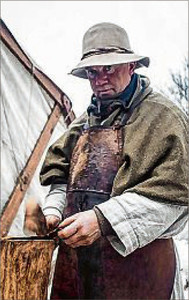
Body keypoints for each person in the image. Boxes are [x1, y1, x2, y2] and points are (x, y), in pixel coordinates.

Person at [39, 23, 188, 299]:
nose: (100, 79)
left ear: (131, 66)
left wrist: (103, 220)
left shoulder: (164, 118)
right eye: (93, 72)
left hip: (140, 273)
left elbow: (174, 199)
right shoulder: (81, 123)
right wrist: (52, 211)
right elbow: (60, 178)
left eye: (109, 68)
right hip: (78, 271)